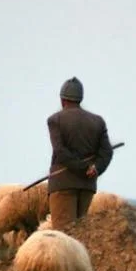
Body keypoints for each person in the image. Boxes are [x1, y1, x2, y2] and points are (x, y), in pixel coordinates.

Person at [46, 77, 114, 230]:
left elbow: (60, 152)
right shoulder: (98, 121)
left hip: (63, 184)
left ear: (63, 100)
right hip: (87, 186)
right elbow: (107, 151)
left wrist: (83, 168)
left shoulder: (55, 120)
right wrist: (95, 168)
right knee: (81, 234)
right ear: (80, 99)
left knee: (64, 236)